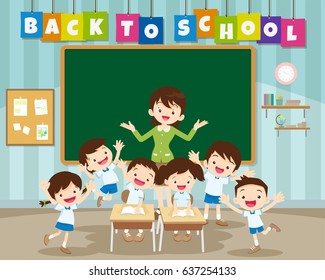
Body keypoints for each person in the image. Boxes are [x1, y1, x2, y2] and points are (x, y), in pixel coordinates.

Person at [120, 86, 208, 208]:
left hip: (168, 159)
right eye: (160, 110)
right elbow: (141, 139)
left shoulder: (172, 130)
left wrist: (194, 128)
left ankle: (170, 207)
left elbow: (187, 138)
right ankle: (161, 207)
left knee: (167, 184)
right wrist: (133, 130)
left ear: (180, 116)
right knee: (158, 184)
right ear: (152, 111)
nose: (166, 114)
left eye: (172, 112)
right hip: (155, 159)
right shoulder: (155, 129)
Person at [189, 141, 255, 226]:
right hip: (209, 192)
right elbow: (203, 170)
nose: (220, 166)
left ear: (233, 171)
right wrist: (197, 161)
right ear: (206, 163)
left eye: (227, 167)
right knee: (207, 205)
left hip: (218, 194)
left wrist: (242, 175)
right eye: (214, 162)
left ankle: (218, 218)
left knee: (217, 206)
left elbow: (232, 179)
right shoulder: (210, 175)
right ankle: (205, 218)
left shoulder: (222, 178)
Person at [220, 176, 284, 254]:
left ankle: (270, 227)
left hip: (258, 224)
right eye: (243, 197)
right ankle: (257, 245)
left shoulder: (257, 211)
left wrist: (275, 201)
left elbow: (266, 208)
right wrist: (227, 203)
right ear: (236, 200)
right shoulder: (247, 212)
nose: (250, 198)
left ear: (266, 199)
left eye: (258, 196)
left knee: (263, 233)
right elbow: (237, 210)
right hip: (251, 225)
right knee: (254, 234)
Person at [39, 171, 96, 254]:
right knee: (60, 233)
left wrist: (88, 191)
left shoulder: (71, 206)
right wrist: (46, 190)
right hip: (62, 221)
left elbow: (81, 199)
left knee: (65, 233)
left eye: (74, 192)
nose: (69, 196)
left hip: (70, 221)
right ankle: (53, 239)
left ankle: (61, 244)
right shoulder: (62, 206)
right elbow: (52, 200)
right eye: (61, 195)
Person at [156, 158, 204, 242]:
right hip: (177, 210)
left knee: (188, 220)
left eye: (188, 181)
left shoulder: (187, 195)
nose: (181, 183)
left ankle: (188, 233)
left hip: (186, 210)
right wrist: (175, 209)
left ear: (193, 180)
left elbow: (189, 202)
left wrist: (188, 209)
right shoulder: (177, 194)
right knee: (176, 221)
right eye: (175, 181)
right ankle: (176, 233)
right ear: (167, 181)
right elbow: (175, 202)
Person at [118, 158, 159, 242]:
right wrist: (123, 168)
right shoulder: (131, 187)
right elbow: (126, 178)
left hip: (137, 207)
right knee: (127, 218)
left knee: (140, 218)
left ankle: (140, 232)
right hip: (128, 207)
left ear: (152, 184)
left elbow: (141, 200)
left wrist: (138, 207)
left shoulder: (140, 192)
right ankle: (126, 232)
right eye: (135, 174)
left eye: (147, 179)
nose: (141, 179)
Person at [78, 138, 124, 207]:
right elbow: (92, 176)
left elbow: (115, 160)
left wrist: (118, 150)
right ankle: (92, 189)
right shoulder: (100, 171)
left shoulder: (110, 167)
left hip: (114, 184)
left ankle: (102, 198)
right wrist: (85, 170)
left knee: (109, 198)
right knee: (98, 193)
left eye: (105, 152)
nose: (102, 157)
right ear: (89, 167)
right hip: (107, 184)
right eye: (94, 159)